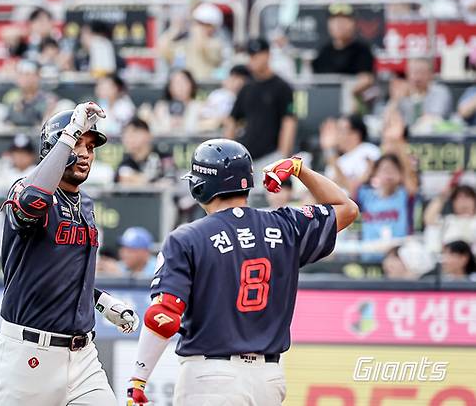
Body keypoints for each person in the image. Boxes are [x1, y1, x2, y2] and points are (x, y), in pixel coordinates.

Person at [126, 140, 359, 406]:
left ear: (199, 186)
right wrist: (299, 169)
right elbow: (347, 208)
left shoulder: (186, 238)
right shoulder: (285, 226)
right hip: (268, 380)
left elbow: (163, 315)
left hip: (210, 377)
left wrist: (138, 379)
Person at [0, 103, 140, 405]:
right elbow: (32, 201)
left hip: (82, 359)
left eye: (90, 147)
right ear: (56, 146)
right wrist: (69, 134)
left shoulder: (86, 204)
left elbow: (63, 270)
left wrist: (101, 301)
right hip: (28, 356)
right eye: (77, 143)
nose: (85, 153)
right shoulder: (25, 188)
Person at [225, 38, 297, 168]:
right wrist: (227, 153)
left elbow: (289, 123)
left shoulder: (282, 87)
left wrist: (283, 159)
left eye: (257, 55)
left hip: (271, 156)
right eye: (250, 55)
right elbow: (232, 119)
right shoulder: (246, 87)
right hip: (246, 156)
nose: (253, 59)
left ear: (268, 55)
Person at [312, 4, 375, 100]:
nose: (339, 24)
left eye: (344, 20)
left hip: (352, 104)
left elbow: (366, 79)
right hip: (323, 101)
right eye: (335, 20)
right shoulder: (323, 51)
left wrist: (344, 96)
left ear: (353, 23)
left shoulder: (362, 50)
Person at [355, 154, 419, 242]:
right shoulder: (366, 195)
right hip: (369, 252)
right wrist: (368, 171)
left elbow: (412, 185)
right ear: (375, 173)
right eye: (385, 169)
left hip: (398, 252)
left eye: (393, 169)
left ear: (400, 175)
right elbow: (352, 191)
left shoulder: (404, 194)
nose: (389, 173)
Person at [158, 3, 225, 80]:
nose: (197, 26)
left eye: (203, 24)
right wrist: (174, 29)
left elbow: (202, 47)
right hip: (187, 88)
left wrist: (197, 31)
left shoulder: (216, 43)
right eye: (197, 23)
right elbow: (163, 48)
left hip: (206, 88)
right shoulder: (187, 43)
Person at [320, 114, 381, 195]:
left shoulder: (369, 151)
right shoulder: (338, 160)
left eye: (341, 130)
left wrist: (330, 151)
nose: (337, 135)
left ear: (355, 134)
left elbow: (355, 191)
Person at [386, 57, 452, 132]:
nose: (417, 77)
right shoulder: (402, 93)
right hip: (404, 138)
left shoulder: (440, 92)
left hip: (434, 139)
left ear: (431, 74)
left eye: (422, 72)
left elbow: (434, 119)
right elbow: (387, 121)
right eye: (413, 72)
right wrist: (395, 100)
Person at [115, 117, 176, 185]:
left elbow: (171, 181)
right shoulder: (126, 162)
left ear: (148, 134)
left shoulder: (164, 157)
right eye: (125, 135)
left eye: (134, 133)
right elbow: (123, 176)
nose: (128, 139)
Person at [4, 60, 59, 128]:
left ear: (38, 76)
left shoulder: (49, 100)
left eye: (27, 74)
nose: (23, 78)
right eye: (20, 74)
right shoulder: (12, 99)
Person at [199, 64, 251, 132]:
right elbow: (203, 115)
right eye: (233, 78)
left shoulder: (248, 97)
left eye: (240, 79)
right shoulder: (217, 95)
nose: (237, 83)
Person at [151, 69, 203, 135]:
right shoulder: (161, 107)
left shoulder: (199, 106)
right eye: (176, 83)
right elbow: (154, 130)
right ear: (169, 87)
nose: (180, 87)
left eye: (183, 82)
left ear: (191, 85)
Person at [424, 179, 476, 244]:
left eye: (467, 197)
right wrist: (442, 196)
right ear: (453, 203)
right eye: (459, 198)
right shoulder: (448, 221)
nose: (463, 202)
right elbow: (429, 219)